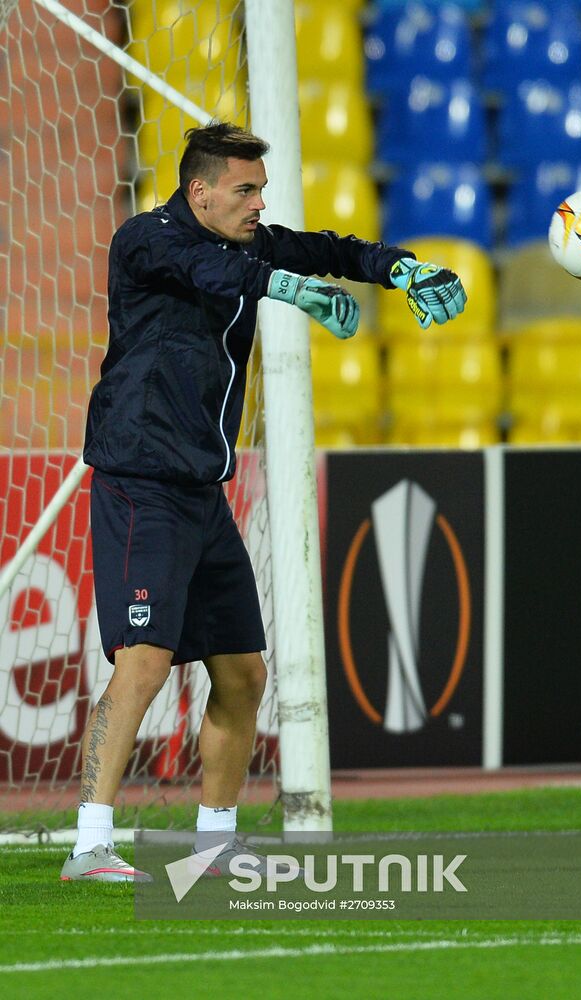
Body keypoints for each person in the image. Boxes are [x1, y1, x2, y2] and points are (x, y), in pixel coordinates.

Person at [60, 121, 467, 882]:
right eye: (244, 190)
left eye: (261, 190)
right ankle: (90, 844)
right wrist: (286, 288)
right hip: (141, 480)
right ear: (200, 190)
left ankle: (213, 842)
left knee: (244, 673)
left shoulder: (246, 244)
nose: (257, 205)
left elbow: (331, 250)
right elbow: (210, 273)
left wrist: (403, 270)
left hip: (201, 492)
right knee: (143, 664)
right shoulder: (144, 241)